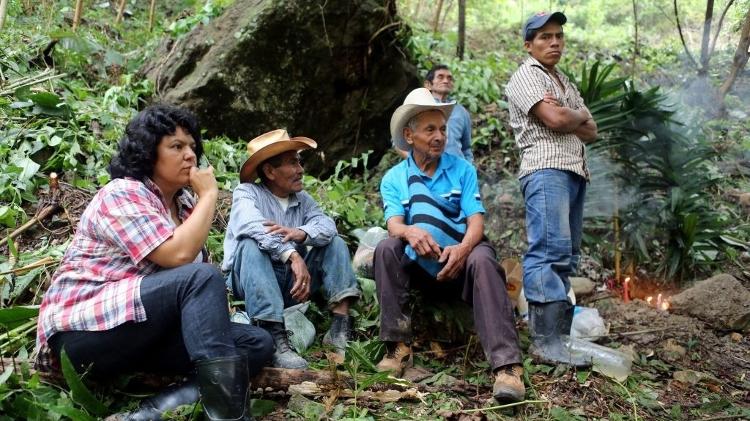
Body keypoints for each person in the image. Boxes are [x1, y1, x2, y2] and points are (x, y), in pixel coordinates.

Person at [34, 104, 273, 421]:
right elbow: (179, 257)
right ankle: (230, 416)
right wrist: (210, 196)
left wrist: (200, 202)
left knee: (256, 343)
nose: (190, 155)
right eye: (176, 146)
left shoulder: (186, 206)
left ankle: (149, 414)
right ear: (149, 152)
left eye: (192, 147)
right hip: (82, 335)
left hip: (140, 333)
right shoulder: (123, 193)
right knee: (201, 277)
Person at [374, 87, 524, 403]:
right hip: (420, 266)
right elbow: (394, 224)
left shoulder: (462, 170)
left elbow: (476, 223)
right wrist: (410, 232)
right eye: (430, 129)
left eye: (442, 128)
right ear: (409, 135)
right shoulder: (394, 179)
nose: (439, 136)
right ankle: (397, 347)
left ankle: (507, 367)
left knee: (483, 258)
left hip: (461, 259)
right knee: (387, 248)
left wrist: (463, 249)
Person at [222, 129, 360, 369]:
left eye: (299, 161)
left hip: (292, 285)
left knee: (334, 241)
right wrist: (292, 254)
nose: (300, 169)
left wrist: (302, 233)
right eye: (292, 163)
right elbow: (251, 225)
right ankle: (273, 336)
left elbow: (327, 225)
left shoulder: (303, 199)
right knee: (250, 245)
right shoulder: (247, 193)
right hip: (251, 283)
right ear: (269, 171)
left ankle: (339, 326)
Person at [505, 11, 598, 366]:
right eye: (544, 37)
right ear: (529, 45)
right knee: (549, 250)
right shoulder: (526, 76)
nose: (554, 41)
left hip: (573, 171)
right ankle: (544, 342)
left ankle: (557, 339)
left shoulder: (563, 82)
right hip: (546, 169)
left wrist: (570, 115)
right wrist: (574, 115)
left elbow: (592, 131)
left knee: (566, 254)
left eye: (558, 35)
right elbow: (558, 120)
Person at [395, 64, 473, 162]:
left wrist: (468, 168)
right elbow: (398, 143)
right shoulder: (418, 107)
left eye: (449, 78)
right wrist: (417, 164)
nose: (446, 81)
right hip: (426, 170)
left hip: (457, 171)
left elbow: (466, 148)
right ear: (428, 85)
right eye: (440, 77)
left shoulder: (461, 111)